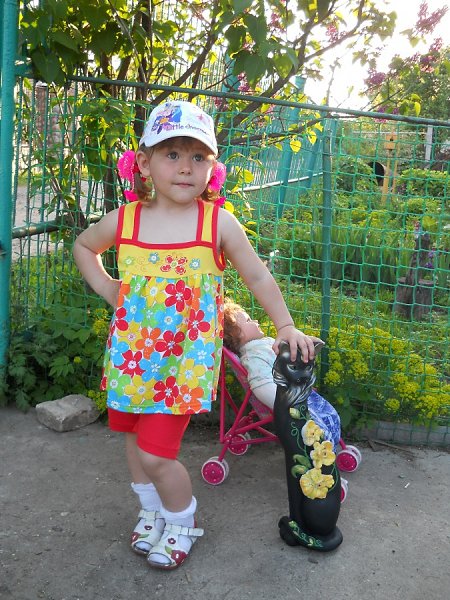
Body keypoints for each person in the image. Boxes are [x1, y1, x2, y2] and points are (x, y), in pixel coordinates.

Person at [73, 99, 321, 570]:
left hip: (182, 367)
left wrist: (285, 325)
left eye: (198, 156)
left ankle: (181, 520)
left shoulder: (217, 223)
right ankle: (151, 512)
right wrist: (108, 288)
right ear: (144, 163)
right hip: (131, 358)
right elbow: (85, 245)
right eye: (172, 154)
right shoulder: (127, 219)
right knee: (133, 439)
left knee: (156, 454)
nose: (186, 167)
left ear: (212, 167)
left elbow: (258, 276)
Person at [223, 300, 340, 449]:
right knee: (317, 422)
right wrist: (287, 403)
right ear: (235, 334)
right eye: (248, 320)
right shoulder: (253, 356)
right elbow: (261, 384)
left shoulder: (261, 345)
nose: (255, 321)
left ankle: (327, 447)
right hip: (290, 401)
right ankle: (321, 453)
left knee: (327, 415)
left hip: (297, 391)